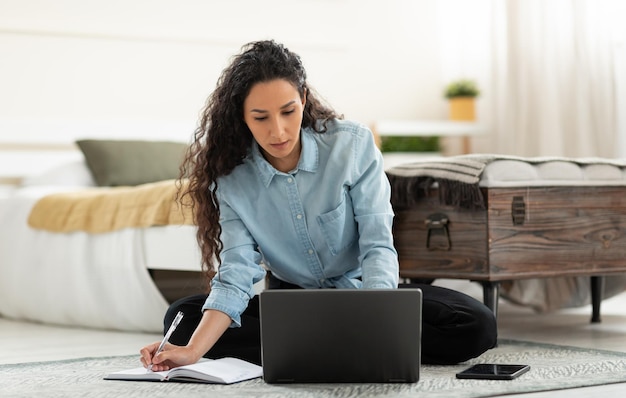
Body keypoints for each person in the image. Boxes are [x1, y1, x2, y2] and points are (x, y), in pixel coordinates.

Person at [140, 40, 497, 371]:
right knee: (182, 317)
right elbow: (236, 272)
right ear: (242, 117)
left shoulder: (352, 146)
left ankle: (313, 348)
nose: (278, 131)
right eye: (261, 118)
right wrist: (192, 352)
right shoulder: (232, 179)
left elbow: (377, 245)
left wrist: (377, 316)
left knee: (475, 324)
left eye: (288, 111)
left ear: (304, 98)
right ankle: (350, 348)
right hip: (293, 305)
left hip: (363, 295)